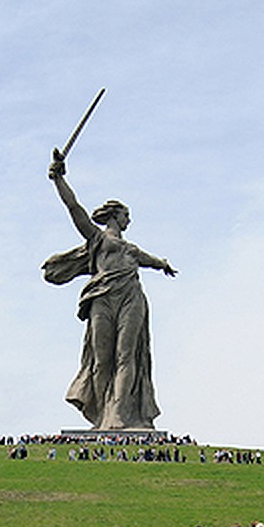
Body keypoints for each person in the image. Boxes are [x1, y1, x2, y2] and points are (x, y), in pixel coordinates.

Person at [44, 150, 176, 429]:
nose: (129, 220)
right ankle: (102, 412)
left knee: (126, 356)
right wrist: (59, 179)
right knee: (102, 360)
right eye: (126, 215)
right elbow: (74, 208)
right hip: (102, 299)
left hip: (131, 297)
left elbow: (152, 261)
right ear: (115, 216)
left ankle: (118, 413)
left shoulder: (131, 249)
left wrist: (163, 264)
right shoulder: (98, 238)